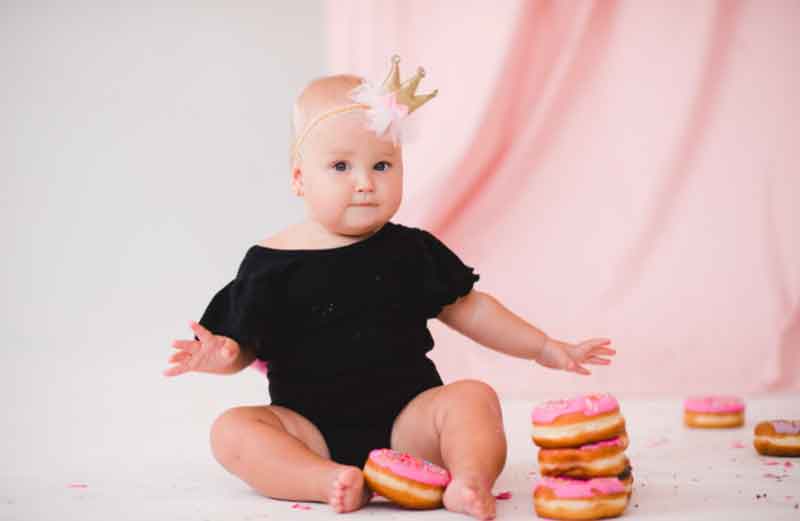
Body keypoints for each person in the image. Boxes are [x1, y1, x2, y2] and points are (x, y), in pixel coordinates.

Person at [165, 56, 615, 520]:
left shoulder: (410, 250)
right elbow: (244, 342)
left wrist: (542, 347)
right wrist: (223, 356)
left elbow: (473, 310)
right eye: (340, 166)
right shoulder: (269, 264)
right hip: (309, 430)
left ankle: (468, 480)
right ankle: (325, 480)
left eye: (382, 164)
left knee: (472, 398)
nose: (364, 184)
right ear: (300, 178)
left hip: (411, 423)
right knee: (231, 430)